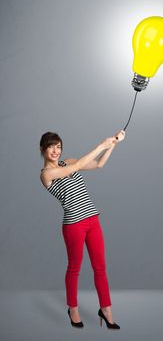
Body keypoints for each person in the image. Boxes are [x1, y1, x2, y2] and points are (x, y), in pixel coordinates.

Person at [39, 130, 125, 329]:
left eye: (58, 146)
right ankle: (73, 308)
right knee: (74, 268)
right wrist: (101, 144)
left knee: (100, 268)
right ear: (43, 149)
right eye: (51, 146)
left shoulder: (67, 161)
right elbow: (77, 166)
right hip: (73, 225)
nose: (55, 150)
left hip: (92, 220)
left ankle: (106, 310)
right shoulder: (46, 174)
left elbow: (99, 164)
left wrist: (113, 143)